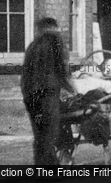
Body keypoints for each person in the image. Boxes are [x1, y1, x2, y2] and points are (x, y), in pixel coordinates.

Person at [21, 18, 74, 165]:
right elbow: (62, 70)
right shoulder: (55, 42)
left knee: (38, 134)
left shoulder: (32, 46)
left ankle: (41, 168)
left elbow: (25, 74)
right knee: (49, 133)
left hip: (30, 95)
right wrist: (72, 89)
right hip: (47, 94)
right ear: (54, 28)